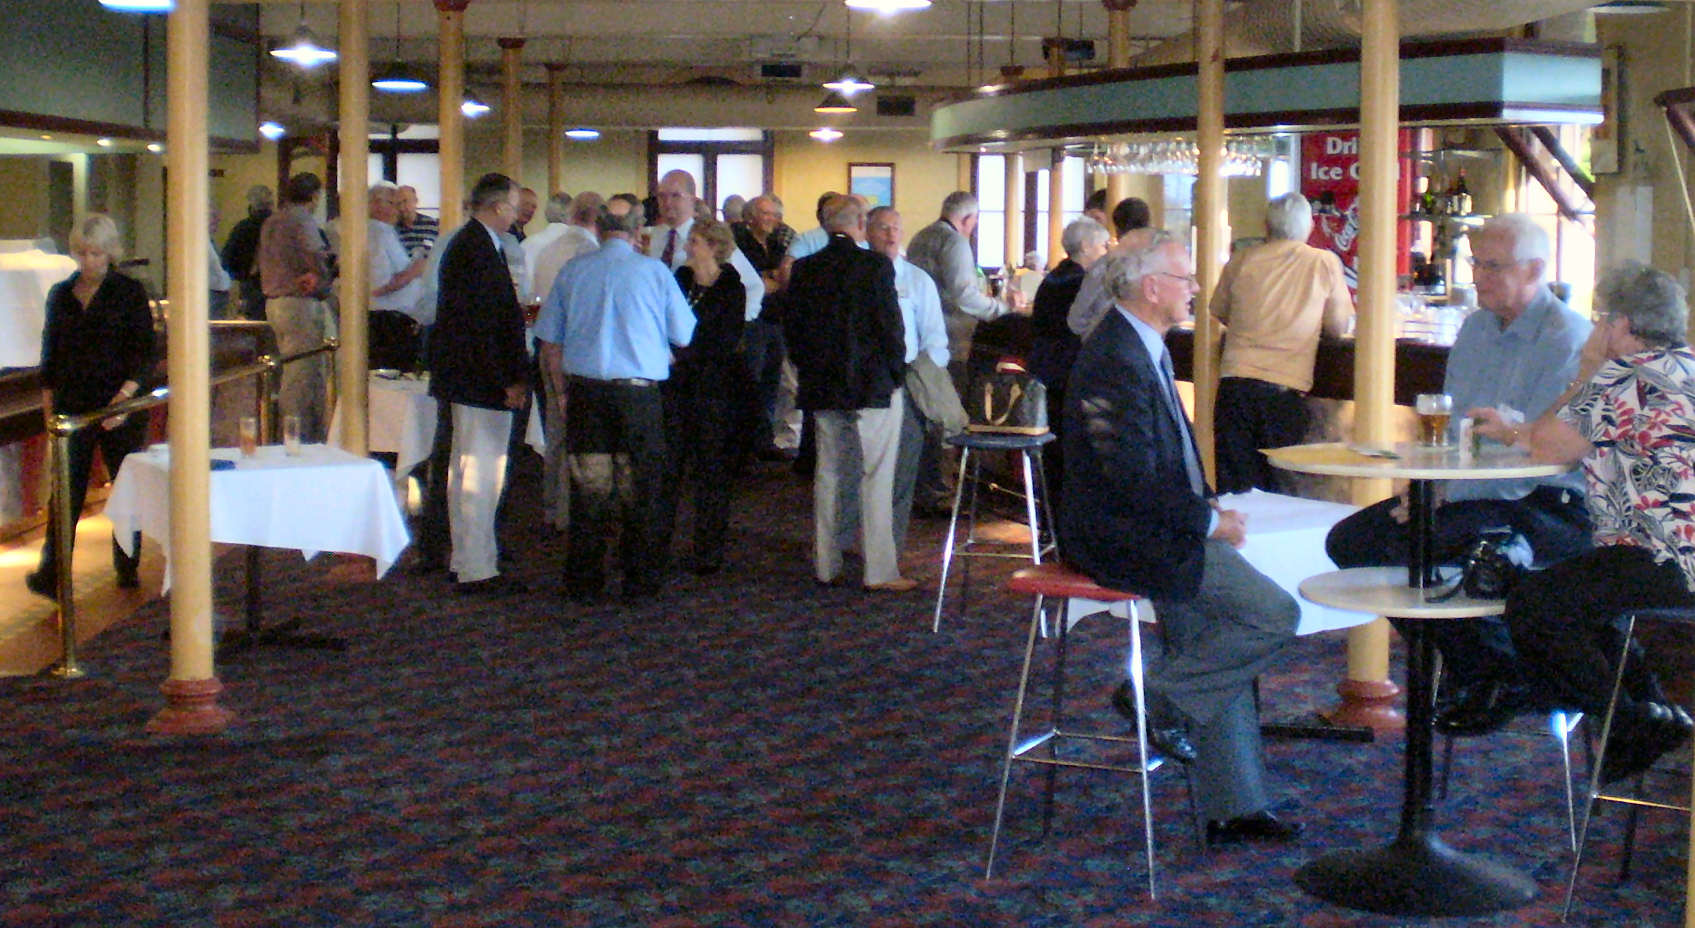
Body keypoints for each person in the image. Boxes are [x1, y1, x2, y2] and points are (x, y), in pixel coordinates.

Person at [1060, 233, 1303, 845]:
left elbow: (1157, 462)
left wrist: (1206, 506)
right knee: (1271, 615)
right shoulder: (1115, 356)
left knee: (1209, 639)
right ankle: (1154, 700)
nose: (1196, 288)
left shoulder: (1139, 345)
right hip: (1128, 536)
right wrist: (1206, 523)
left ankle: (1235, 806)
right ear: (1151, 288)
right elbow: (1129, 476)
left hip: (1154, 525)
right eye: (1185, 278)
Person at [1326, 213, 1594, 727]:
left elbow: (1538, 455)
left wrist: (1445, 494)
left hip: (1544, 503)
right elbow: (1453, 435)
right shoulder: (1474, 329)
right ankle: (1488, 669)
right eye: (1476, 264)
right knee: (1351, 543)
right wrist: (1426, 487)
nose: (1478, 277)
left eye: (1493, 267)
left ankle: (1494, 674)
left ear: (1535, 270)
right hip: (1473, 494)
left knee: (1412, 545)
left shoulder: (1568, 340)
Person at [1472, 262, 1695, 782]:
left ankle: (1633, 722)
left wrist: (1588, 368)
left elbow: (1553, 445)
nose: (1594, 330)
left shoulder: (1625, 378)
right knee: (1590, 603)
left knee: (1532, 604)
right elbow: (1553, 437)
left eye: (1600, 321)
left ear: (1619, 325)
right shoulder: (1685, 364)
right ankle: (1654, 715)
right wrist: (1517, 432)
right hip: (1677, 553)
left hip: (1661, 552)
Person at [537, 205, 694, 603]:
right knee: (640, 493)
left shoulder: (574, 271)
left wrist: (561, 395)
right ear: (639, 231)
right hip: (638, 396)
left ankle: (584, 582)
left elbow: (550, 340)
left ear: (599, 229)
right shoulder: (655, 272)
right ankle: (639, 582)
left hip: (587, 393)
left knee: (589, 493)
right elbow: (684, 334)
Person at [784, 195, 911, 593]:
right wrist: (896, 372)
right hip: (872, 385)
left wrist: (808, 370)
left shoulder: (805, 269)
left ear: (826, 225)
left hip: (822, 385)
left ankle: (826, 563)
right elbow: (890, 327)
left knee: (830, 475)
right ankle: (879, 570)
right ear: (859, 224)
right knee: (875, 476)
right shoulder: (875, 266)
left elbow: (794, 331)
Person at [25, 214, 155, 598]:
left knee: (124, 487)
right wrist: (50, 412)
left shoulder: (129, 292)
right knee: (65, 492)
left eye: (96, 253)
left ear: (110, 252)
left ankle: (127, 563)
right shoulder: (61, 295)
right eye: (82, 253)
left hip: (119, 403)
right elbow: (51, 357)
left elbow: (144, 352)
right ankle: (53, 571)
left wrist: (125, 399)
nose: (88, 261)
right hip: (73, 403)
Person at [425, 173, 531, 595]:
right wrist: (508, 379)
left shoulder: (475, 244)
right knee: (479, 474)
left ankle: (467, 559)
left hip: (468, 376)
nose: (518, 212)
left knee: (466, 471)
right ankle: (477, 568)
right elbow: (483, 326)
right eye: (515, 204)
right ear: (498, 206)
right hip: (478, 379)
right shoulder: (477, 249)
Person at [1211, 193, 1354, 494]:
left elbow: (1220, 311)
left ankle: (1236, 542)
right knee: (1281, 489)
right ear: (1309, 227)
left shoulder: (1241, 260)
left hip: (1234, 386)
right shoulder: (1322, 262)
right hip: (1283, 393)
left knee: (1236, 491)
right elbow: (1338, 326)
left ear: (1266, 226)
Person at [663, 218, 748, 575]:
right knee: (668, 469)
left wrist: (684, 351)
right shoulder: (679, 280)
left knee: (711, 471)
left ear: (714, 246)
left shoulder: (732, 287)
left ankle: (708, 549)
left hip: (715, 391)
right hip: (677, 387)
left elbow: (725, 341)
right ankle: (657, 545)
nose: (687, 247)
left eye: (694, 241)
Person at [866, 205, 950, 553]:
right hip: (867, 387)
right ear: (867, 232)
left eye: (895, 229)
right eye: (883, 228)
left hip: (907, 384)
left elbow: (935, 338)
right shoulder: (861, 278)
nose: (890, 235)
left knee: (902, 475)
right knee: (864, 471)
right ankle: (860, 544)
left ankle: (890, 551)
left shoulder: (917, 280)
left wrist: (923, 379)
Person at [530, 191, 606, 534]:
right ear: (597, 218)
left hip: (546, 344)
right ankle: (566, 510)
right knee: (575, 432)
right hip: (573, 351)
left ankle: (549, 505)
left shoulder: (547, 249)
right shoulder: (588, 252)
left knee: (554, 431)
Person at [1027, 216, 1111, 511]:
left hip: (1044, 371)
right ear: (1086, 246)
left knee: (1054, 452)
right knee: (1071, 451)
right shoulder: (1081, 282)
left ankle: (1051, 516)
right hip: (1068, 373)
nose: (1106, 253)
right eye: (1103, 245)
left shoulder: (1054, 276)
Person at [906, 190, 1028, 385]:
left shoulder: (920, 237)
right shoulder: (954, 241)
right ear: (968, 218)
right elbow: (965, 296)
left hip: (917, 330)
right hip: (949, 338)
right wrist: (1003, 307)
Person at [257, 171, 334, 442]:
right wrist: (327, 270)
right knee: (302, 375)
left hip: (274, 301)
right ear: (314, 196)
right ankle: (298, 439)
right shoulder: (302, 220)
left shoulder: (271, 221)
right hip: (299, 303)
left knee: (290, 371)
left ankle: (289, 434)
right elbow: (315, 257)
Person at [647, 170, 764, 326]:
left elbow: (754, 287)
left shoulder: (711, 238)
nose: (667, 203)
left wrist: (735, 325)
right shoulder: (648, 237)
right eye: (662, 196)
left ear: (693, 200)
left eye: (676, 196)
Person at [733, 194, 799, 460]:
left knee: (773, 383)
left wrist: (768, 278)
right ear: (750, 216)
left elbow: (782, 279)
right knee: (753, 380)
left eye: (774, 214)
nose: (771, 219)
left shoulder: (774, 243)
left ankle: (764, 440)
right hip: (754, 323)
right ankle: (746, 444)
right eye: (765, 213)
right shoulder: (742, 243)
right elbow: (749, 282)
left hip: (776, 320)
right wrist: (767, 279)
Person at [1066, 196, 1154, 338]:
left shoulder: (1104, 266)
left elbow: (1076, 320)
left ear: (1116, 227)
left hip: (1107, 347)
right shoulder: (1162, 264)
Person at [367, 181, 427, 319]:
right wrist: (414, 270)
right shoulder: (377, 232)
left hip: (403, 314)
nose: (399, 210)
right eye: (394, 203)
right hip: (389, 315)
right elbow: (379, 286)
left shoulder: (387, 230)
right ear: (377, 204)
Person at [221, 183, 272, 320]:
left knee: (254, 327)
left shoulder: (242, 229)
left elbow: (226, 260)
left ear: (250, 205)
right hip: (278, 288)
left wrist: (239, 276)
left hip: (250, 286)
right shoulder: (280, 227)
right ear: (271, 204)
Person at [519, 192, 574, 297]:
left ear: (546, 213)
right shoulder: (580, 245)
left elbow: (522, 285)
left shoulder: (527, 244)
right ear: (572, 215)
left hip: (532, 308)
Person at [395, 185, 439, 259]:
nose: (402, 207)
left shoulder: (431, 224)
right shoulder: (393, 228)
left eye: (405, 201)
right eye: (398, 203)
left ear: (415, 201)